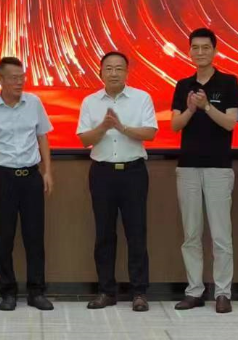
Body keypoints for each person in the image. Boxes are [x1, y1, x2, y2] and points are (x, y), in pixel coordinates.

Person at [0, 57, 56, 312]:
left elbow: (43, 137)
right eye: (13, 78)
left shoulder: (34, 103)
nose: (19, 82)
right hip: (3, 178)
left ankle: (36, 292)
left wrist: (47, 171)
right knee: (4, 238)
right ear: (0, 79)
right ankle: (7, 292)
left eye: (22, 77)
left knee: (34, 237)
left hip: (31, 177)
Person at [77, 51, 157, 313]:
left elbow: (151, 133)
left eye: (119, 68)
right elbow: (84, 139)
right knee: (104, 234)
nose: (113, 73)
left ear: (127, 72)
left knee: (137, 233)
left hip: (133, 173)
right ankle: (106, 291)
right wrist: (103, 127)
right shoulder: (90, 101)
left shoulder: (141, 98)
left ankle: (139, 292)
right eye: (109, 68)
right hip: (102, 174)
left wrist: (122, 128)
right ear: (100, 72)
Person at [170, 29, 238, 314]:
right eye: (195, 48)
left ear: (215, 50)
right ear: (189, 51)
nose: (200, 52)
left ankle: (222, 292)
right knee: (191, 234)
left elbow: (230, 124)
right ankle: (194, 291)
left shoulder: (229, 82)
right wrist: (191, 109)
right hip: (187, 167)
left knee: (221, 235)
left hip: (218, 167)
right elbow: (175, 126)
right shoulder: (182, 84)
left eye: (205, 47)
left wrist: (207, 106)